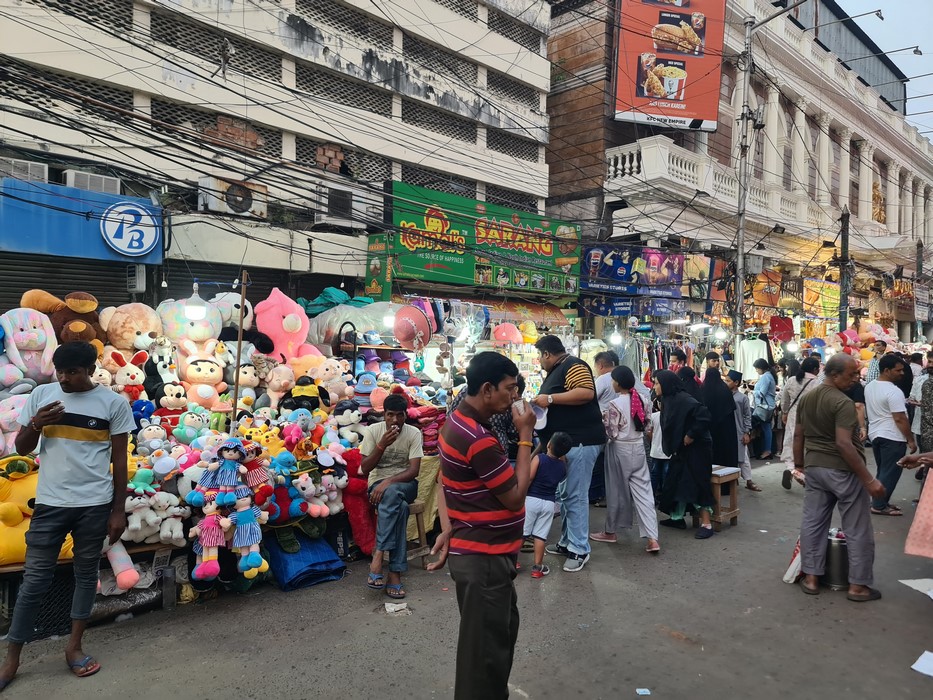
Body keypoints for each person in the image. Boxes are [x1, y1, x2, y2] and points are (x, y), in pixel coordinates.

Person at [0, 341, 135, 689]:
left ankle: (74, 648)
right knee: (34, 581)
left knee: (86, 575)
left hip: (94, 504)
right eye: (60, 371)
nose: (64, 378)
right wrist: (35, 423)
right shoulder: (43, 395)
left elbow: (119, 461)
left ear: (90, 370)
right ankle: (12, 658)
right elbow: (22, 448)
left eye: (72, 372)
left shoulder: (113, 403)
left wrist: (117, 510)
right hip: (50, 504)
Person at [429, 351, 536, 700]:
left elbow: (451, 484)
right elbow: (515, 496)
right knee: (485, 661)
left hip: (483, 553)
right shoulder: (477, 437)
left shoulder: (457, 421)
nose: (515, 396)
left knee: (494, 644)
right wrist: (525, 436)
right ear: (487, 389)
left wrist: (451, 527)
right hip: (484, 559)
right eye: (510, 388)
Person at [793, 353, 886, 602]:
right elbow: (844, 444)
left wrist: (800, 464)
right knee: (857, 528)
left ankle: (811, 578)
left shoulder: (807, 397)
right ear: (834, 375)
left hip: (815, 468)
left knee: (813, 523)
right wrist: (868, 479)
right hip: (842, 471)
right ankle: (858, 585)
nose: (856, 379)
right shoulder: (842, 403)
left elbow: (797, 435)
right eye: (851, 374)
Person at [532, 335, 605, 573]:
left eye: (539, 356)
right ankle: (566, 542)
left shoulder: (573, 365)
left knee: (575, 496)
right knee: (565, 495)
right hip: (567, 444)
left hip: (581, 441)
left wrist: (550, 398)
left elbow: (585, 392)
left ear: (547, 354)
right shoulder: (558, 370)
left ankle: (579, 549)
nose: (539, 361)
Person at [590, 366, 660, 553]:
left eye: (613, 380)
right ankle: (652, 538)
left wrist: (603, 420)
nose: (611, 383)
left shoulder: (614, 404)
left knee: (616, 491)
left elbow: (611, 433)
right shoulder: (644, 400)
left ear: (618, 384)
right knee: (644, 494)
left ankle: (610, 531)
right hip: (638, 448)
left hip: (619, 449)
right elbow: (646, 426)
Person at [360, 393, 423, 599]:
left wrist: (388, 482)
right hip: (377, 486)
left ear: (406, 415)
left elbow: (414, 471)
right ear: (383, 415)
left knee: (394, 492)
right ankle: (395, 574)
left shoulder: (413, 433)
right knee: (401, 508)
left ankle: (378, 553)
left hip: (405, 486)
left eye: (399, 415)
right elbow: (365, 468)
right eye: (390, 415)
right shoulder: (373, 431)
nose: (395, 420)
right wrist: (381, 446)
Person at [654, 370, 716, 539]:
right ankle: (677, 518)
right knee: (676, 479)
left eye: (657, 383)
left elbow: (704, 416)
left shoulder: (684, 399)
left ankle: (707, 524)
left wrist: (691, 434)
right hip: (682, 449)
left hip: (698, 449)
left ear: (666, 384)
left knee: (697, 482)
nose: (654, 386)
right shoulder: (668, 400)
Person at [865, 354, 916, 516]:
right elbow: (900, 418)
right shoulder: (894, 391)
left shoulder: (870, 386)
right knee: (890, 472)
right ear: (886, 371)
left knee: (883, 471)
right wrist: (910, 440)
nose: (902, 373)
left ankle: (881, 501)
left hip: (876, 434)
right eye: (898, 370)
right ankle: (879, 505)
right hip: (892, 436)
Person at [523, 432, 570, 578]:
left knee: (522, 533)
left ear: (548, 444)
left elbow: (529, 478)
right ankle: (537, 568)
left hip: (531, 500)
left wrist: (521, 495)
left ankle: (510, 563)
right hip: (549, 503)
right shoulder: (562, 467)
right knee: (540, 536)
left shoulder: (539, 458)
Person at [780, 357, 820, 489]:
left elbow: (784, 399)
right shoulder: (818, 383)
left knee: (792, 441)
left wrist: (785, 412)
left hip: (793, 415)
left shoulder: (791, 380)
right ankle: (802, 472)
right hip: (810, 416)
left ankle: (792, 468)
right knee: (807, 444)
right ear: (815, 369)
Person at [589, 350, 619, 507]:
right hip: (622, 429)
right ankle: (609, 496)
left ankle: (596, 494)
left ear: (600, 365)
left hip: (603, 427)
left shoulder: (602, 380)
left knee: (598, 462)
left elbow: (590, 399)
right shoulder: (627, 376)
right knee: (613, 464)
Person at [724, 369, 758, 491]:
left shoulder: (742, 398)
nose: (726, 383)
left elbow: (747, 415)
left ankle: (749, 481)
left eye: (728, 381)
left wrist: (746, 432)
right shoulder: (723, 395)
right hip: (727, 432)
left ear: (736, 382)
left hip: (739, 431)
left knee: (743, 457)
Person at [699, 367, 738, 472]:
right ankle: (728, 480)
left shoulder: (703, 389)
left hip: (709, 429)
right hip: (725, 430)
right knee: (725, 455)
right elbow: (730, 409)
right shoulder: (725, 389)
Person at [752, 358, 777, 459]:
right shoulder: (769, 376)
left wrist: (752, 391)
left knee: (764, 428)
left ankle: (766, 450)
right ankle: (767, 450)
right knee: (766, 428)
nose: (756, 371)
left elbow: (762, 393)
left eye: (757, 369)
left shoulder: (766, 377)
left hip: (764, 406)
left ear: (761, 368)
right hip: (769, 405)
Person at [647, 397, 670, 499]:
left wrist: (653, 441)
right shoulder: (672, 416)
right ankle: (665, 497)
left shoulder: (653, 416)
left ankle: (651, 495)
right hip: (668, 452)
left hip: (655, 450)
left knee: (654, 474)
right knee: (666, 475)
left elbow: (649, 432)